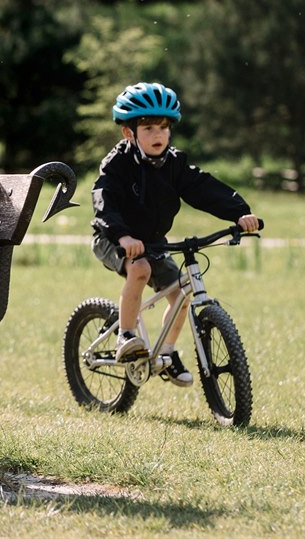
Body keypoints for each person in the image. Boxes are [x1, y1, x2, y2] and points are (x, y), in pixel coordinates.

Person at [91, 82, 260, 386]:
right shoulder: (117, 164)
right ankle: (125, 336)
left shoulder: (174, 164)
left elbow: (203, 188)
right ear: (128, 132)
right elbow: (104, 200)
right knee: (139, 269)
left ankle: (166, 354)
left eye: (163, 128)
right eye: (148, 128)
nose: (158, 135)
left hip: (151, 240)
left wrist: (239, 212)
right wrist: (122, 236)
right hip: (112, 236)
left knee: (181, 291)